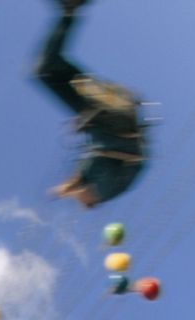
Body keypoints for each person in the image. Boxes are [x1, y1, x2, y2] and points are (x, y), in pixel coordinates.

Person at [33, 0, 147, 208]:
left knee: (44, 70)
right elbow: (86, 189)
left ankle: (69, 10)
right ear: (92, 201)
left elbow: (77, 179)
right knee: (48, 74)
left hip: (102, 110)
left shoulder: (86, 171)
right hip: (116, 120)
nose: (81, 196)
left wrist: (62, 189)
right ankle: (115, 100)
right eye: (84, 199)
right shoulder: (107, 191)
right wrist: (70, 192)